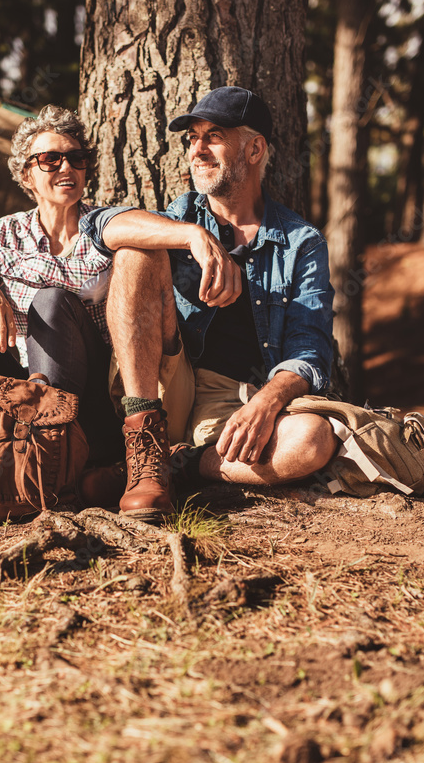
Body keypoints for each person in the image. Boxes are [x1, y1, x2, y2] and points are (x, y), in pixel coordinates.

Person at [0, 104, 189, 533]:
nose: (67, 167)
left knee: (50, 301)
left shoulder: (99, 228)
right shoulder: (8, 230)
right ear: (27, 175)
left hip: (86, 407)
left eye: (76, 158)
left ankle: (50, 470)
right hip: (20, 396)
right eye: (50, 159)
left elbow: (75, 281)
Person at [81, 85, 338, 491]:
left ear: (254, 150)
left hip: (237, 397)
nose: (196, 150)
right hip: (166, 380)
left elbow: (310, 348)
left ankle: (181, 464)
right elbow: (97, 225)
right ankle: (145, 447)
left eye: (213, 137)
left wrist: (267, 402)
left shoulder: (301, 241)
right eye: (192, 138)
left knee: (310, 441)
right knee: (135, 253)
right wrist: (193, 237)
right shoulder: (182, 215)